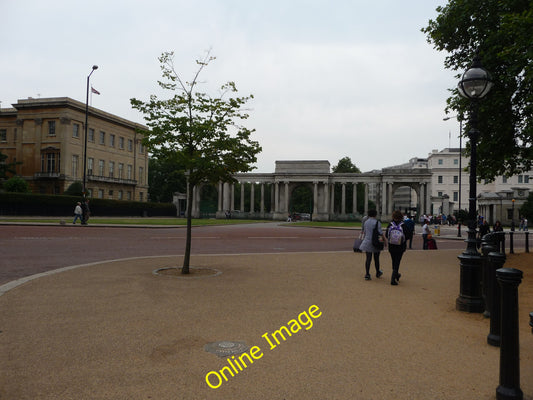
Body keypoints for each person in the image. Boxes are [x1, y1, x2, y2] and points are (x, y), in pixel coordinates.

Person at [359, 209, 386, 280]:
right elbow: (380, 233)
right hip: (375, 242)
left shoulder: (366, 222)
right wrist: (385, 241)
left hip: (367, 241)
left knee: (368, 258)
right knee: (376, 258)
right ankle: (377, 272)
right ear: (375, 215)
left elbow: (365, 232)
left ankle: (367, 274)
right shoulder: (377, 222)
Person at [386, 210, 407, 285]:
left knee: (394, 261)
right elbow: (407, 235)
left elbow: (386, 235)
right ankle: (392, 279)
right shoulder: (403, 225)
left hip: (391, 246)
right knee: (397, 262)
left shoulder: (390, 225)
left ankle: (396, 275)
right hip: (400, 246)